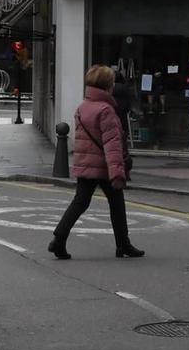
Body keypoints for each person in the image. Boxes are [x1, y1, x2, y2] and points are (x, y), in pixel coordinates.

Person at [48, 65, 143, 260]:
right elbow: (112, 144)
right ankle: (123, 244)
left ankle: (59, 238)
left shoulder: (82, 107)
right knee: (117, 204)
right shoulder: (106, 110)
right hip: (104, 166)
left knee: (80, 202)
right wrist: (117, 172)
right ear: (107, 86)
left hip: (85, 163)